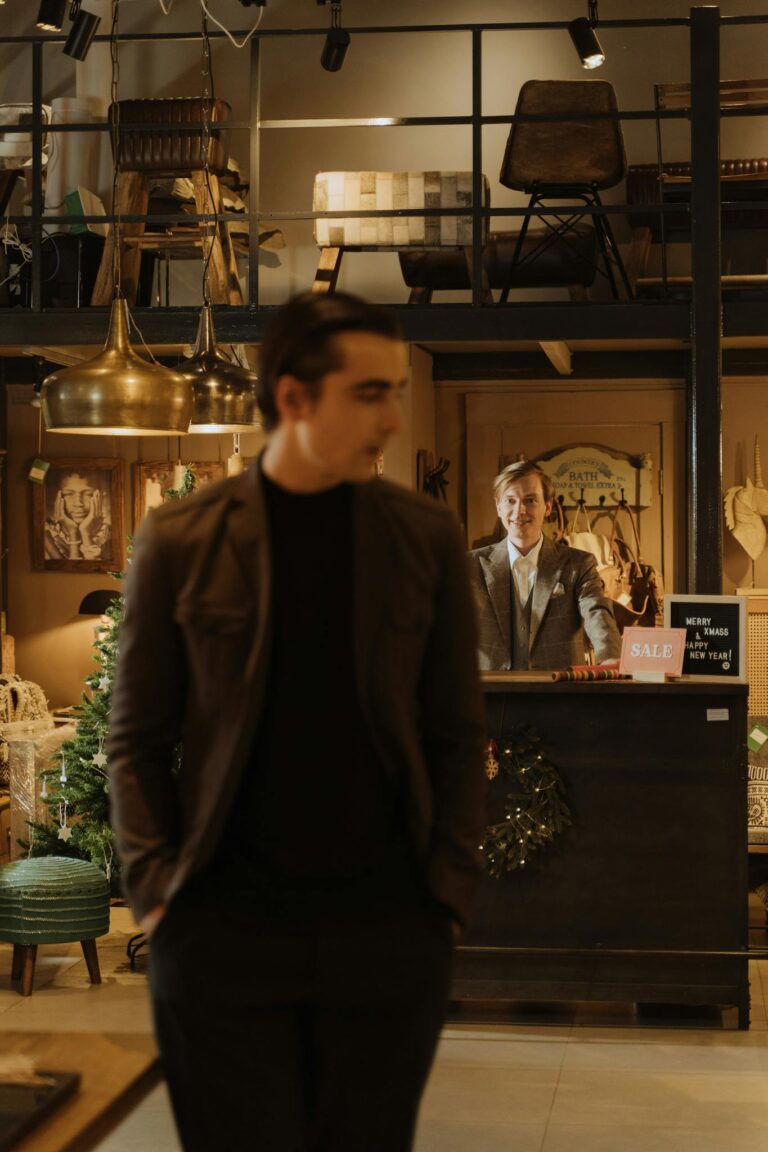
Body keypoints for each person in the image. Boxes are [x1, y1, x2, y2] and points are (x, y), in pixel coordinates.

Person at [107, 291, 486, 1152]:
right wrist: (159, 897)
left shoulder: (424, 536)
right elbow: (133, 740)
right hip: (219, 935)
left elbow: (457, 735)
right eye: (372, 393)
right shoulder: (180, 538)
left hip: (387, 934)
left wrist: (445, 903)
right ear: (292, 398)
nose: (394, 416)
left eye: (396, 390)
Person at [469, 459, 621, 670]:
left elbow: (597, 612)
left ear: (547, 507)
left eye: (530, 500)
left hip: (558, 694)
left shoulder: (578, 564)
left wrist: (609, 657)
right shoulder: (470, 565)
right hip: (492, 695)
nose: (520, 510)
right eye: (510, 500)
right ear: (498, 507)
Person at [45, 470, 111, 561]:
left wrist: (85, 533)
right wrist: (73, 532)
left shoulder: (110, 535)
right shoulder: (48, 536)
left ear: (101, 497)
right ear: (58, 498)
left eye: (88, 494)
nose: (78, 503)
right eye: (68, 494)